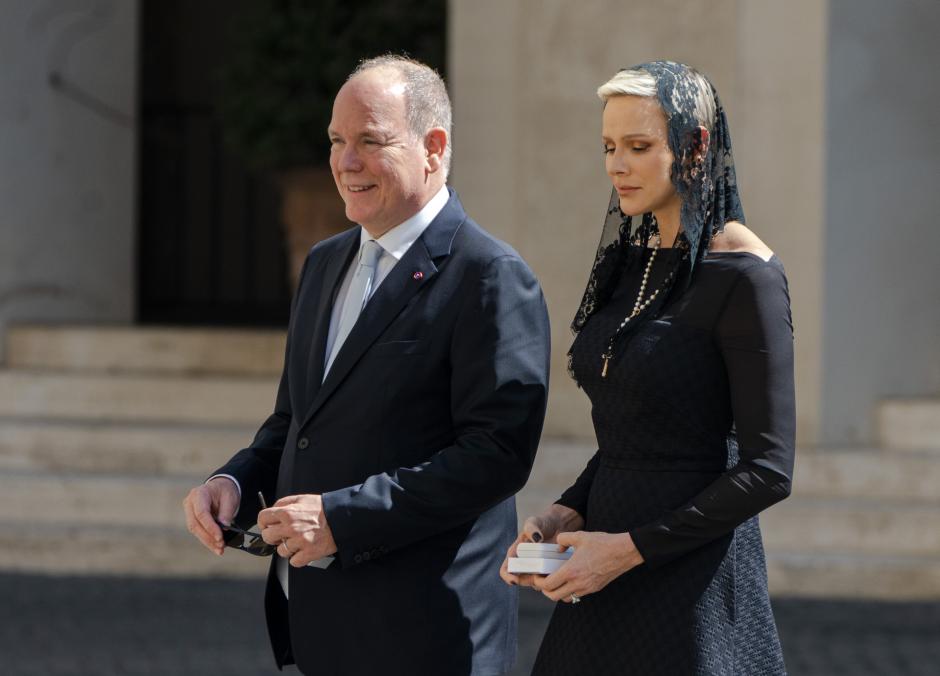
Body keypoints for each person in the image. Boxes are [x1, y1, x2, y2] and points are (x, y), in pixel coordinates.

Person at [183, 54, 551, 676]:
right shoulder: (324, 264)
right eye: (336, 141)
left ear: (434, 148)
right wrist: (236, 483)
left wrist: (342, 518)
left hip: (427, 634)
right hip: (324, 625)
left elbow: (496, 454)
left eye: (370, 142)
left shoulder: (490, 276)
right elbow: (296, 422)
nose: (345, 162)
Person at [500, 61, 795, 675]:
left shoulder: (745, 274)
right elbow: (633, 429)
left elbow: (769, 470)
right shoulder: (631, 264)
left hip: (693, 586)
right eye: (609, 147)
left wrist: (628, 551)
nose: (617, 165)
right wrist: (566, 512)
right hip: (600, 570)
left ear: (696, 146)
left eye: (639, 146)